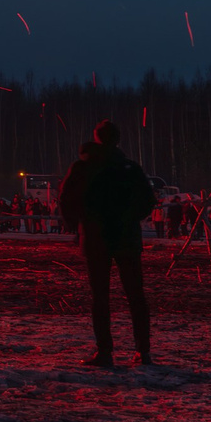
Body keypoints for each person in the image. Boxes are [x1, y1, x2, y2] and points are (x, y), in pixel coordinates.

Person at [57, 120, 157, 367]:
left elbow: (66, 199)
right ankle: (142, 351)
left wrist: (78, 226)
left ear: (97, 137)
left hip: (95, 238)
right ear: (118, 139)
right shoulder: (130, 168)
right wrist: (130, 218)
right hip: (127, 237)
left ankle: (104, 352)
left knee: (99, 297)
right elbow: (148, 200)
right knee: (136, 295)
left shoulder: (84, 167)